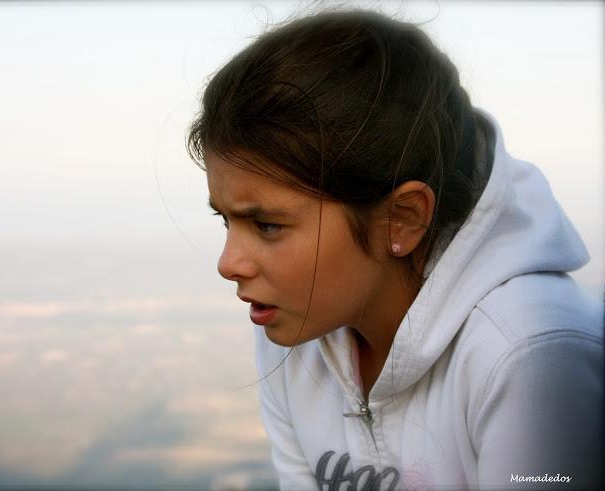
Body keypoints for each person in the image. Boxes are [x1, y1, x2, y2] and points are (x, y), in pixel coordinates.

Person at [187, 8, 603, 490]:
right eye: (226, 220)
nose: (228, 264)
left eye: (267, 224)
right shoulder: (296, 332)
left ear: (401, 219)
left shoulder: (533, 354)